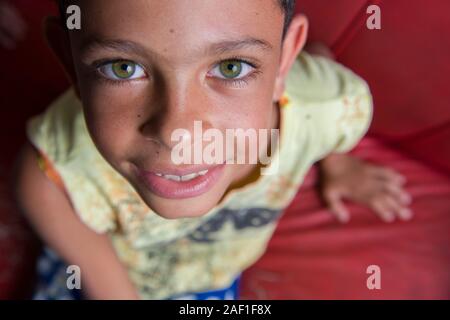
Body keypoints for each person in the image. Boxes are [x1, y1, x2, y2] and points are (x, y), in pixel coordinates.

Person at [14, 0, 412, 300]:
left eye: (231, 67)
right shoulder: (65, 161)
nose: (176, 133)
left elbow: (325, 82)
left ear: (285, 61)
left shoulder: (327, 108)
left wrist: (336, 163)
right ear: (70, 64)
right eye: (122, 68)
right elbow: (37, 182)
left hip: (211, 283)